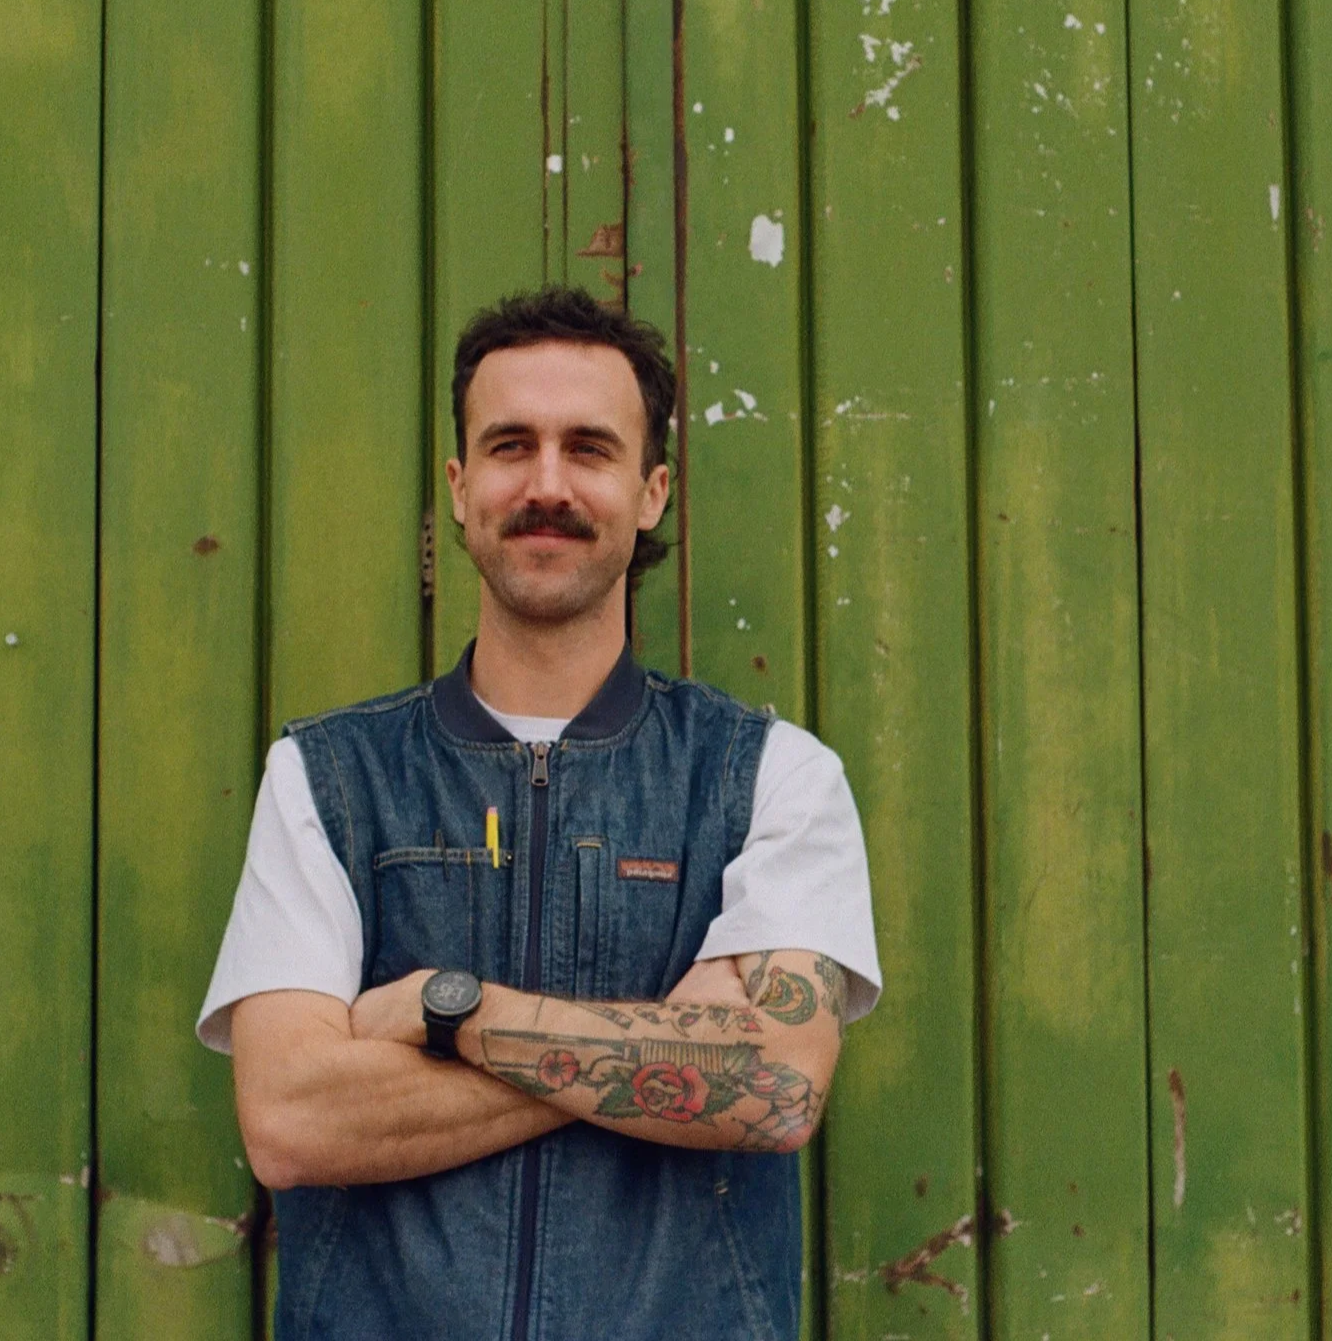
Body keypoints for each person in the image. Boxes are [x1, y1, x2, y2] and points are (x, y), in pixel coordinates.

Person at [195, 286, 882, 1341]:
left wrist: (445, 1010)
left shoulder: (772, 780)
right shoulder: (327, 780)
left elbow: (778, 1089)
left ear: (650, 492)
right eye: (510, 446)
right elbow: (288, 1122)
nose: (547, 484)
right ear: (460, 487)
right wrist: (675, 1051)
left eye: (589, 449)